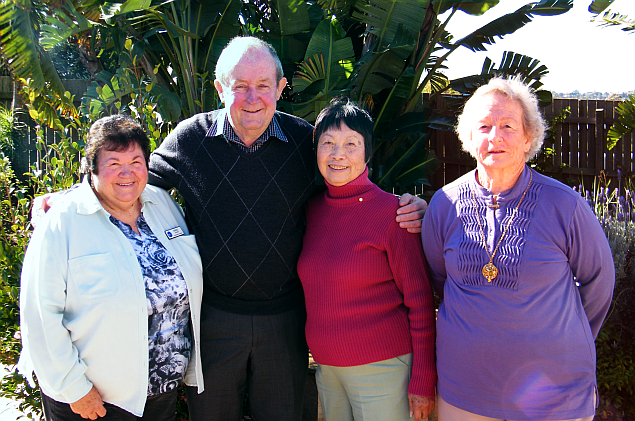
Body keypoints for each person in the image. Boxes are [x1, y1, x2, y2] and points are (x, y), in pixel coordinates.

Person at [33, 36, 427, 421]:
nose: (252, 98)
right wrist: (70, 197)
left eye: (263, 86)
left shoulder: (305, 143)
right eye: (240, 87)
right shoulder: (191, 138)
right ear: (220, 89)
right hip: (214, 318)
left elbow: (348, 180)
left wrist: (407, 205)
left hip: (285, 318)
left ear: (280, 88)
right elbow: (130, 177)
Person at [422, 76, 615, 421]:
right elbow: (440, 280)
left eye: (508, 126)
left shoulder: (565, 206)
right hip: (465, 392)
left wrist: (562, 335)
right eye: (483, 126)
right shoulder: (444, 204)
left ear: (529, 138)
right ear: (468, 139)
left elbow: (599, 281)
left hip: (555, 398)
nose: (494, 136)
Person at [19, 115, 204, 421]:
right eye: (113, 163)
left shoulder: (162, 205)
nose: (127, 173)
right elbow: (40, 315)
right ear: (91, 168)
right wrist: (74, 389)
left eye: (135, 160)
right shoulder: (62, 222)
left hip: (159, 392)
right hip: (95, 401)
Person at [297, 98, 436, 421]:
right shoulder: (311, 211)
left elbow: (420, 303)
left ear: (368, 152)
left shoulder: (394, 215)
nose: (338, 154)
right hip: (327, 369)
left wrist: (423, 380)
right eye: (327, 143)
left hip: (383, 370)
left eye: (351, 144)